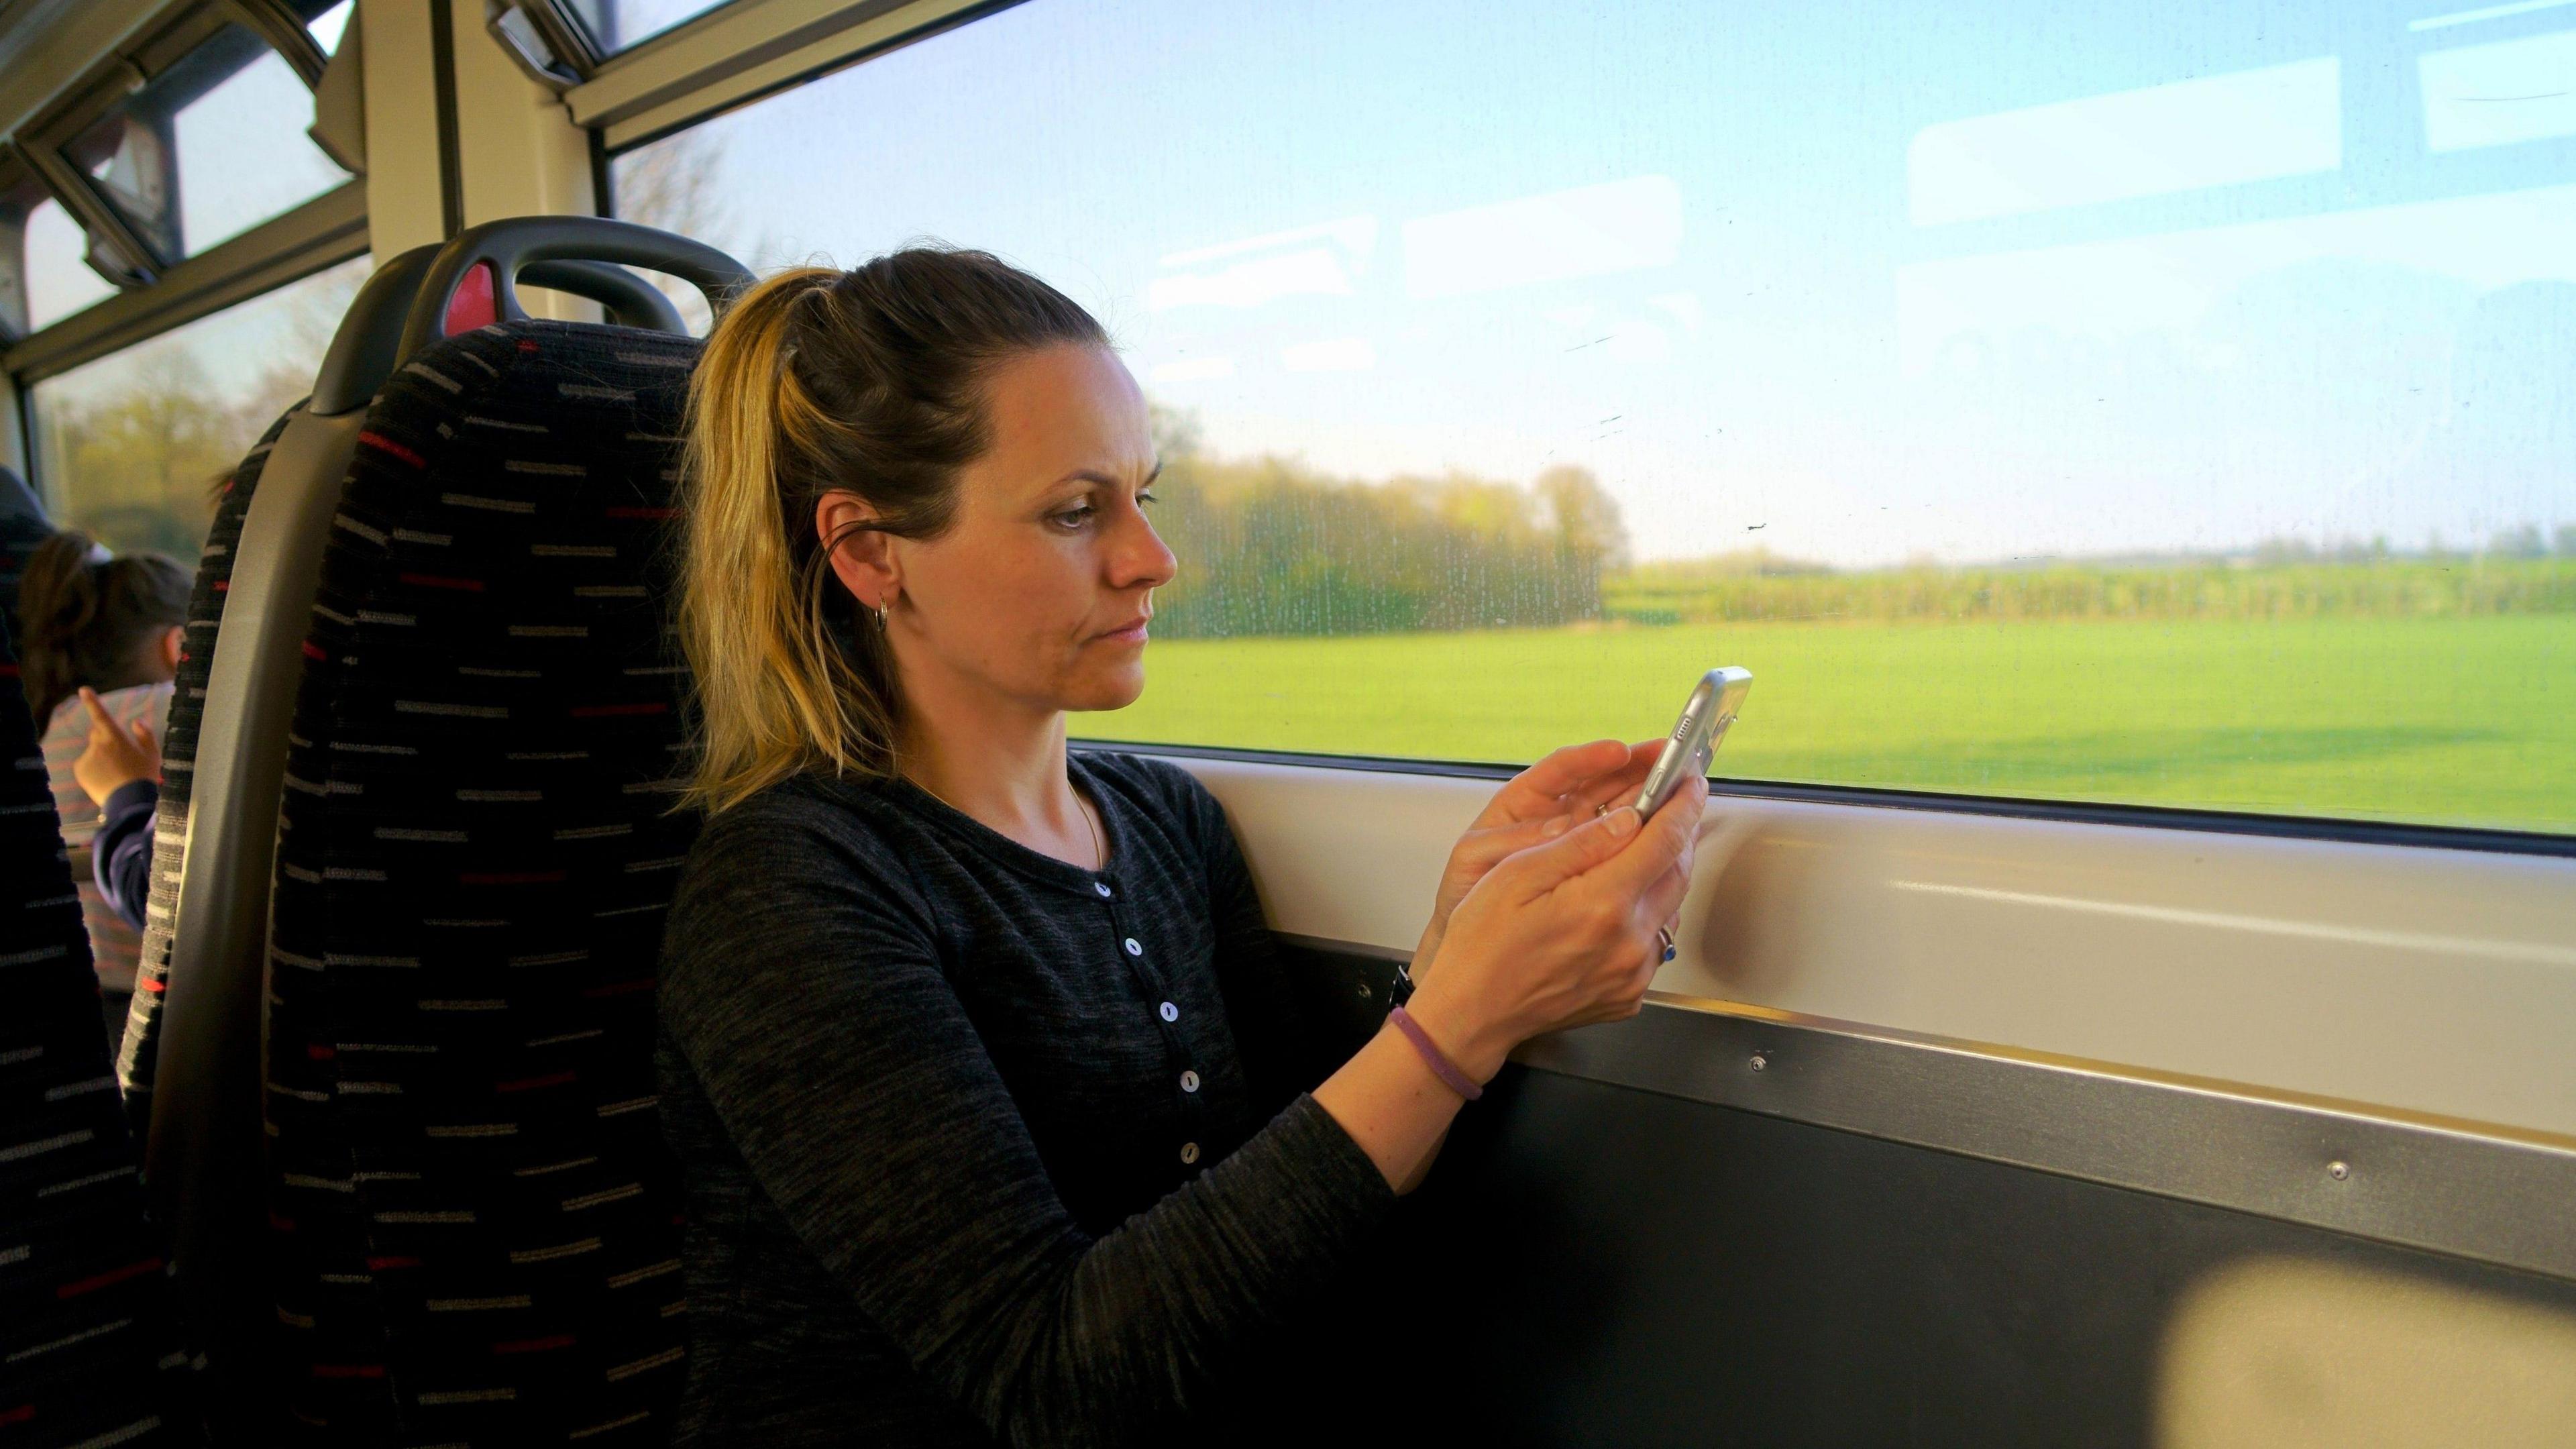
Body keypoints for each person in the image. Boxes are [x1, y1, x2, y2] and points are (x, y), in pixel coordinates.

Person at [659, 248, 1706, 1448]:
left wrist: (1447, 953)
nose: (1151, 559)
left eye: (1142, 497)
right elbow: (1053, 1381)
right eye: (1073, 510)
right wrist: (1456, 1024)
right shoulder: (791, 893)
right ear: (869, 552)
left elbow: (1287, 1208)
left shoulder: (1165, 821)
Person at [21, 529, 188, 1053]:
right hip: (190, 997)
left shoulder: (52, 734)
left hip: (104, 1015)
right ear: (179, 646)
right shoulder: (171, 707)